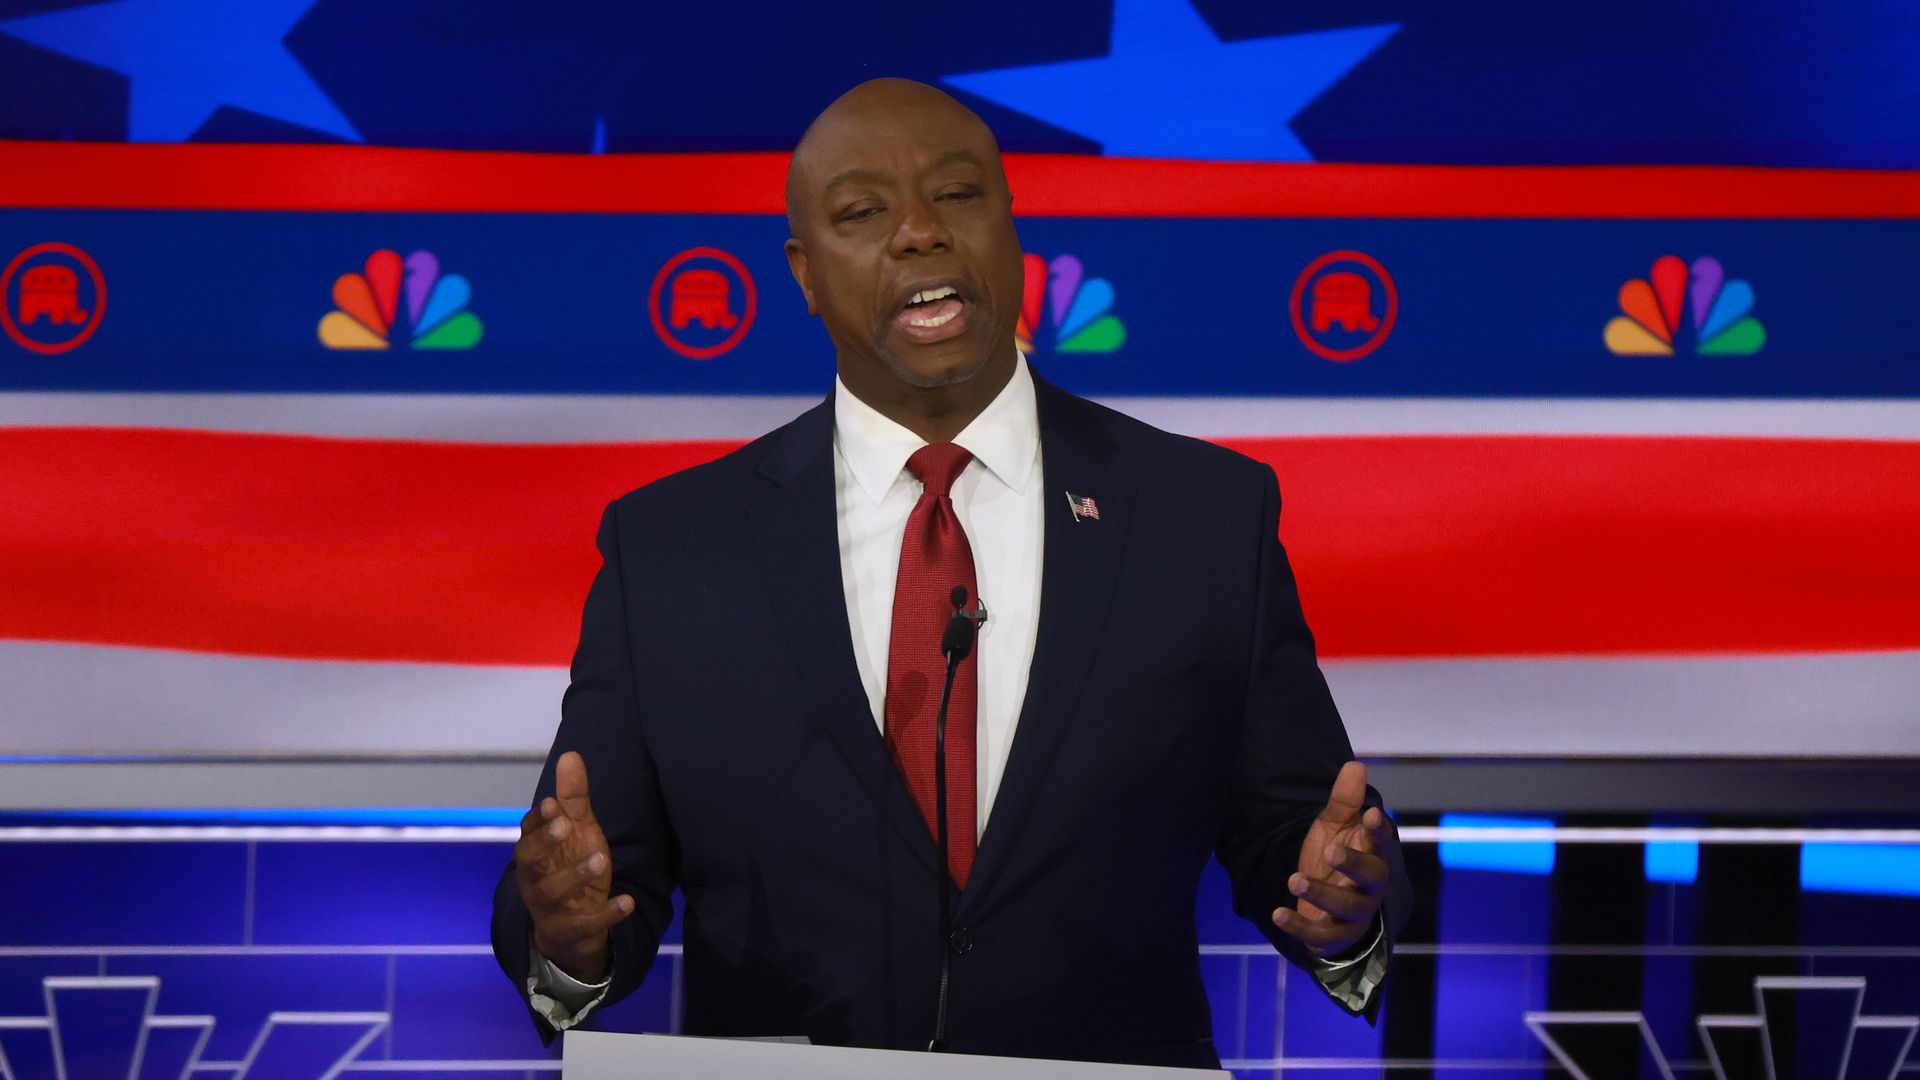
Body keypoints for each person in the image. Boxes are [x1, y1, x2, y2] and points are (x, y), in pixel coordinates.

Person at [491, 77, 1412, 1069]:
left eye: (958, 195)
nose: (920, 233)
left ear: (1012, 226)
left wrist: (1342, 903)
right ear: (804, 273)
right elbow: (589, 875)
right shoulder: (672, 548)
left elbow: (1300, 830)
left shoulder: (1204, 514)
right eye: (862, 211)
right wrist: (566, 934)